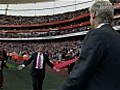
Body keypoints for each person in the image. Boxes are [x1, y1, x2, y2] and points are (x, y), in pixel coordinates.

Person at [58, 1, 120, 90]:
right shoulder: (118, 37)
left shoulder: (96, 35)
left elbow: (80, 72)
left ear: (94, 14)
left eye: (90, 15)